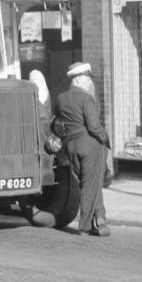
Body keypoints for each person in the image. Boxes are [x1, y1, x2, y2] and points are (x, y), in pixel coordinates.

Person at [56, 61, 111, 237]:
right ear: (79, 78)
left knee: (89, 184)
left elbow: (57, 121)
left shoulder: (61, 98)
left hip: (71, 147)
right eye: (88, 79)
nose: (89, 83)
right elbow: (94, 127)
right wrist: (106, 139)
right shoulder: (87, 99)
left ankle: (100, 218)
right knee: (90, 185)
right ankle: (85, 225)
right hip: (91, 146)